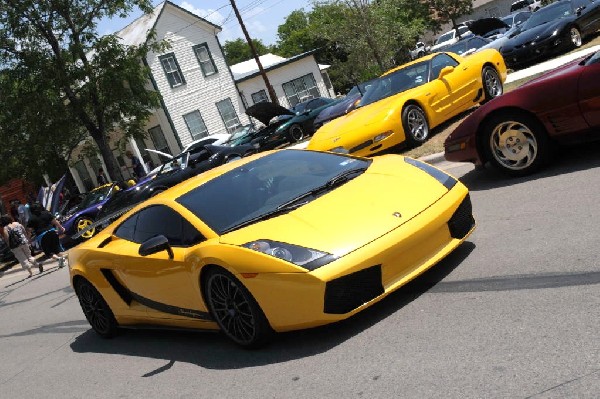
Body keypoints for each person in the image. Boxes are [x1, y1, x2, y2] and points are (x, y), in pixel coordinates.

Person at [26, 203, 67, 268]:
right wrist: (61, 228)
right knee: (57, 248)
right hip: (52, 231)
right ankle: (62, 262)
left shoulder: (31, 219)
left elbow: (29, 230)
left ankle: (59, 259)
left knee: (48, 252)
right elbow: (54, 221)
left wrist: (29, 239)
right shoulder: (46, 213)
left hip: (42, 236)